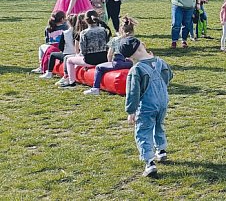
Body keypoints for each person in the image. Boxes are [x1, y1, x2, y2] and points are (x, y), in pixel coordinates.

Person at [122, 37, 173, 177]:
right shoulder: (160, 61)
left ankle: (149, 162)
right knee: (159, 124)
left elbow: (133, 92)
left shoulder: (136, 69)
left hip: (147, 105)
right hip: (163, 101)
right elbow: (170, 75)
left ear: (129, 56)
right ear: (143, 46)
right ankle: (161, 150)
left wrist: (131, 111)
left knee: (143, 131)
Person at [84, 16, 137, 95]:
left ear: (121, 29)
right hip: (129, 63)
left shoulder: (115, 40)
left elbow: (109, 54)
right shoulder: (134, 40)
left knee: (98, 67)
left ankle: (95, 88)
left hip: (118, 63)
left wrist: (109, 62)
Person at [59, 11, 111, 88]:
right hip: (103, 58)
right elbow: (107, 44)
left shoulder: (84, 33)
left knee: (69, 60)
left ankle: (71, 81)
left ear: (86, 20)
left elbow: (83, 49)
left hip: (90, 60)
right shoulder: (103, 30)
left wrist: (83, 60)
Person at [43, 14, 81, 79]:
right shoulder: (80, 32)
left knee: (52, 55)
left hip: (68, 54)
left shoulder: (66, 33)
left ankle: (49, 73)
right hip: (78, 54)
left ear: (68, 22)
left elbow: (61, 46)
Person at [33, 11, 68, 75]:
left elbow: (47, 41)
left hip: (51, 47)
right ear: (62, 19)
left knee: (41, 47)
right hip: (63, 47)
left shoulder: (48, 28)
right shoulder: (66, 27)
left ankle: (41, 66)